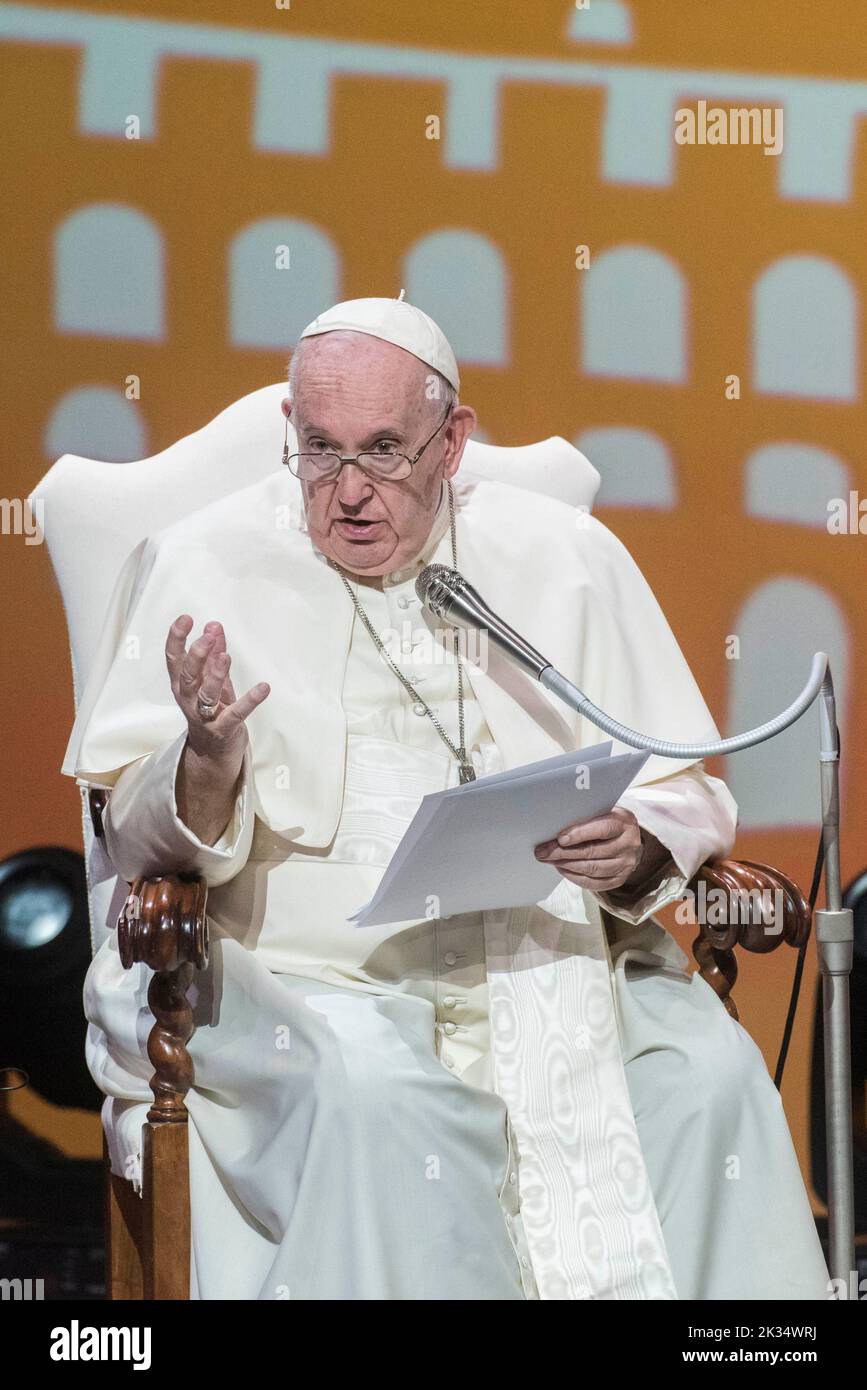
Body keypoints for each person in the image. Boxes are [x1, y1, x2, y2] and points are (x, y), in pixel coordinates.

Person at [64, 295, 830, 1301]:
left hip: (551, 964)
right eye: (321, 451)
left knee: (711, 1082)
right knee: (389, 1102)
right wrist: (206, 755)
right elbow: (133, 832)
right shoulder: (202, 562)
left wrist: (641, 846)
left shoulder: (564, 558)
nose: (348, 492)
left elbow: (679, 781)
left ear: (452, 441)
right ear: (290, 435)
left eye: (384, 451)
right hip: (303, 974)